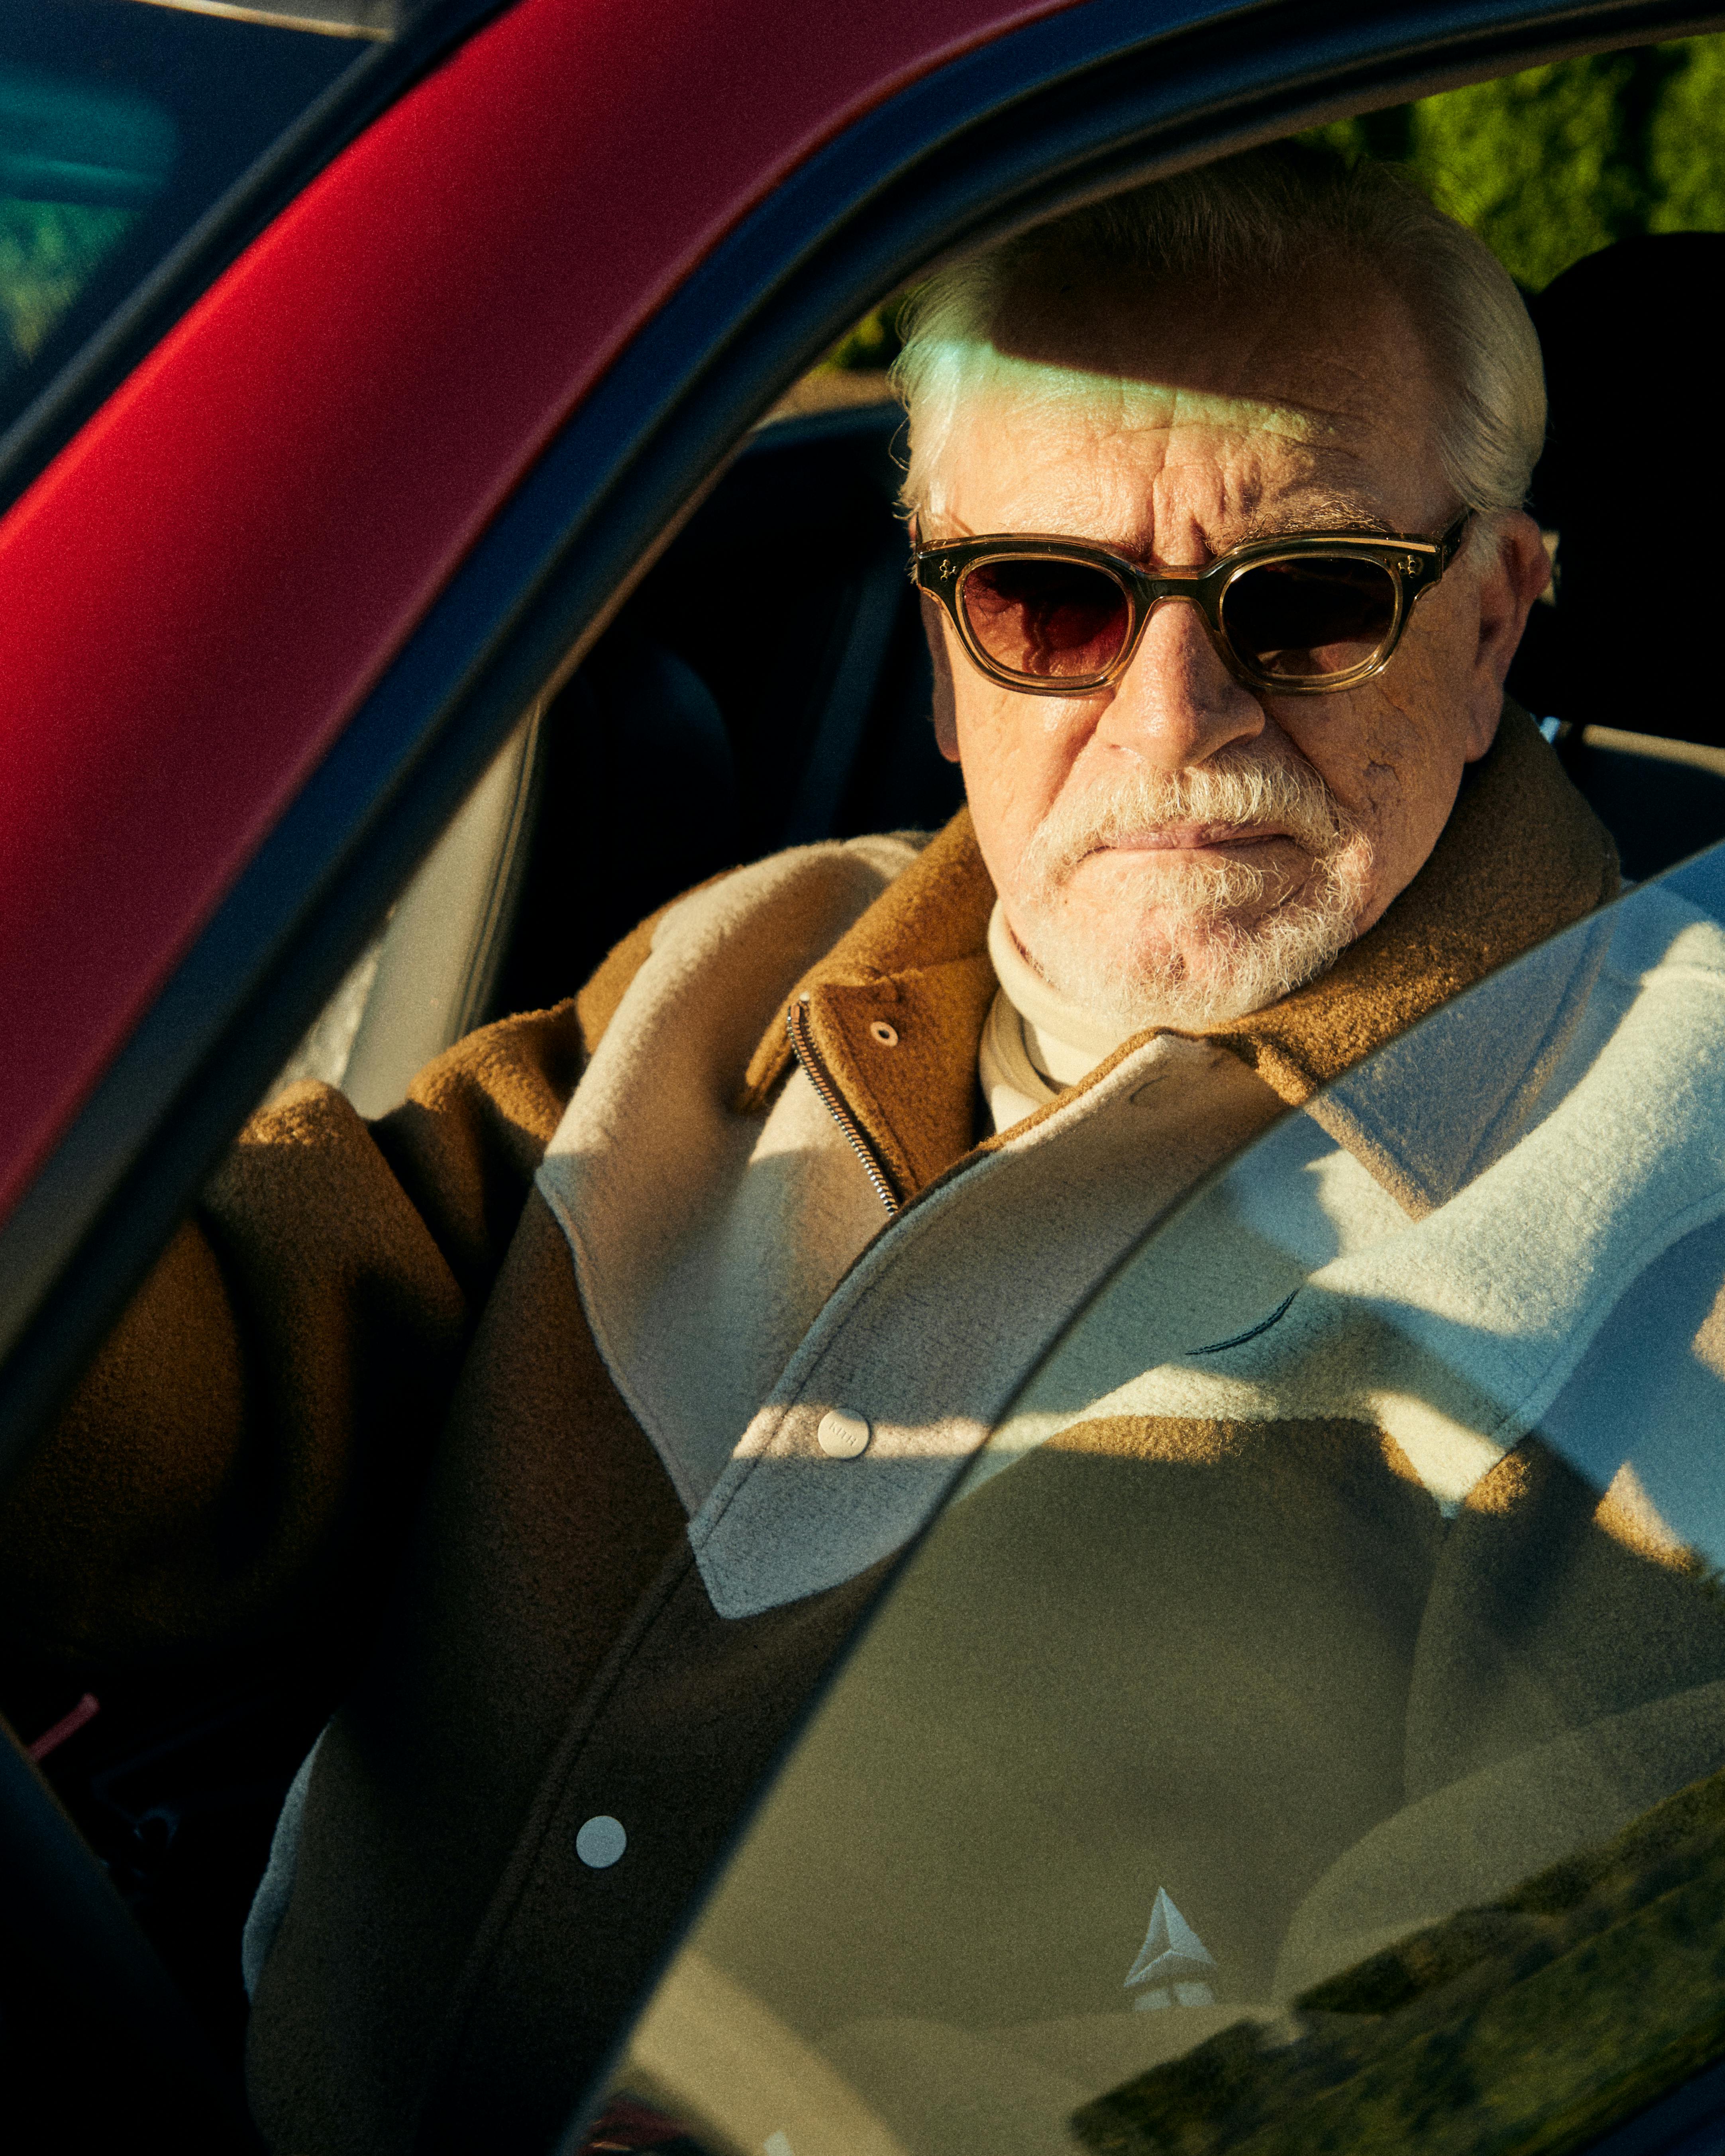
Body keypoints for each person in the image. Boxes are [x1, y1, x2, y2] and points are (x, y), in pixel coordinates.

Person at [6, 143, 1725, 2155]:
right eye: (1049, 602)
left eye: (1315, 603)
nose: (1176, 718)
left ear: (1502, 615)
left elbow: (1495, 2027)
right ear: (936, 643)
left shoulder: (1665, 1205)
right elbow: (210, 1355)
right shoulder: (748, 960)